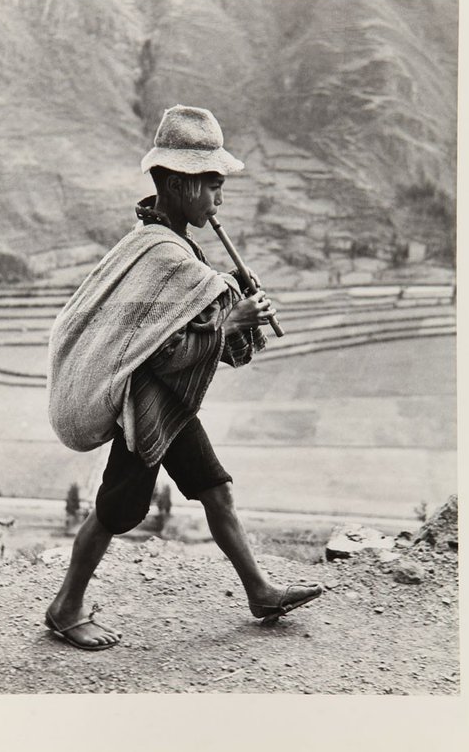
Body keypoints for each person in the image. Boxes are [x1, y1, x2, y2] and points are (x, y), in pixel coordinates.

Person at [45, 105, 322, 650]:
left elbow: (187, 332)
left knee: (215, 491)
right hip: (145, 410)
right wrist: (231, 319)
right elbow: (162, 354)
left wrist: (230, 299)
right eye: (212, 186)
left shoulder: (170, 249)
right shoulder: (163, 256)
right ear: (177, 184)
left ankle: (260, 590)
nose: (220, 200)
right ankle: (65, 607)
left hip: (170, 406)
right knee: (116, 509)